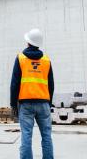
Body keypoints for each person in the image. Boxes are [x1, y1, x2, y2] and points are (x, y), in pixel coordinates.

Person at [10, 28, 54, 159]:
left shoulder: (20, 58)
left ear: (28, 43)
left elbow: (14, 84)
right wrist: (49, 103)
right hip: (43, 103)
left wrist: (13, 104)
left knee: (26, 136)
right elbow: (51, 85)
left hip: (26, 104)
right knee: (46, 136)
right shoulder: (46, 60)